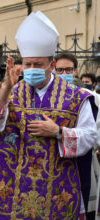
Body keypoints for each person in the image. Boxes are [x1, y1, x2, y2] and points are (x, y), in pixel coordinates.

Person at [0, 11, 97, 219]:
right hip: (17, 185)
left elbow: (90, 136)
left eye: (38, 65)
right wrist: (6, 86)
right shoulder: (13, 90)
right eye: (28, 64)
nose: (31, 69)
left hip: (60, 185)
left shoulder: (77, 96)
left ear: (51, 65)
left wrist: (59, 132)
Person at [55, 53, 99, 219]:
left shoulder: (86, 96)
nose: (64, 73)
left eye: (68, 69)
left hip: (78, 160)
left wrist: (59, 133)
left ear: (75, 71)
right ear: (53, 70)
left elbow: (92, 133)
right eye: (60, 70)